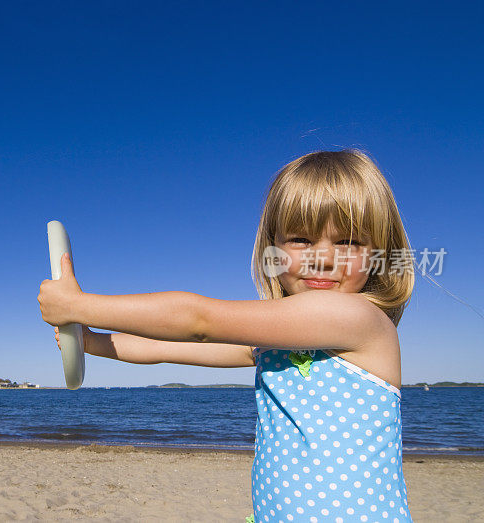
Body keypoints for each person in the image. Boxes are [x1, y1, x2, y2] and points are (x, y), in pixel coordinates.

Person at [37, 149, 414, 522]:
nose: (323, 258)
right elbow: (167, 347)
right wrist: (91, 341)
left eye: (348, 242)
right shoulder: (273, 347)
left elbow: (198, 321)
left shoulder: (358, 318)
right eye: (301, 239)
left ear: (379, 253)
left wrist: (80, 306)